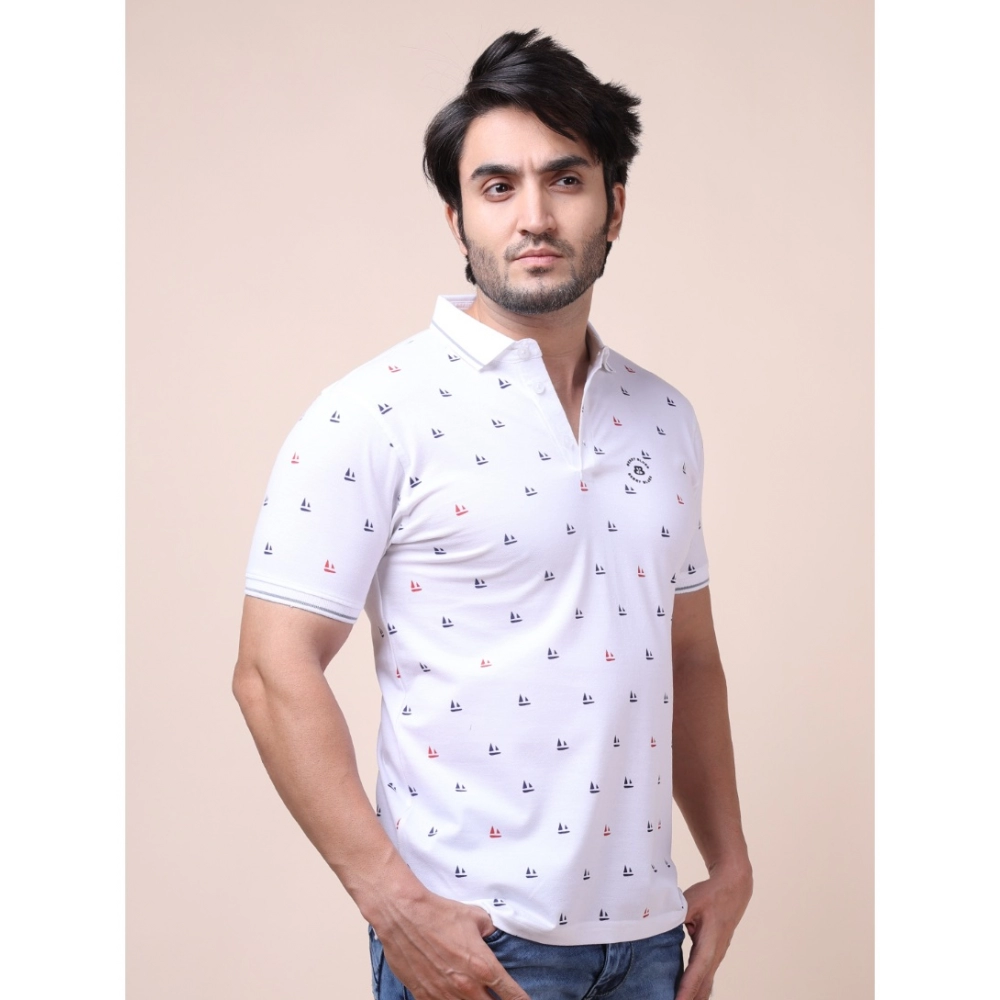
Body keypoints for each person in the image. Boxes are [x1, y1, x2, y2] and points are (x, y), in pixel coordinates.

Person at [233, 28, 752, 1000]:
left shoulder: (664, 417)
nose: (535, 216)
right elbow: (270, 670)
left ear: (615, 205)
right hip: (477, 941)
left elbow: (687, 656)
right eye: (499, 186)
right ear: (458, 216)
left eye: (566, 179)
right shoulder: (373, 410)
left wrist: (729, 861)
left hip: (649, 943)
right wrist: (393, 904)